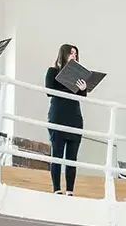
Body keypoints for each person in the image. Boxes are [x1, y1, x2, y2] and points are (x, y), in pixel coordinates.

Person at [44, 44, 88, 195]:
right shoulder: (53, 71)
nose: (74, 56)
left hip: (74, 117)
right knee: (56, 154)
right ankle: (56, 189)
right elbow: (49, 90)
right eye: (71, 53)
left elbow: (81, 97)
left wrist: (83, 89)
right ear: (63, 54)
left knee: (72, 158)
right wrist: (69, 86)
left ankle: (70, 190)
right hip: (58, 116)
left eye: (76, 54)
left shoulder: (78, 76)